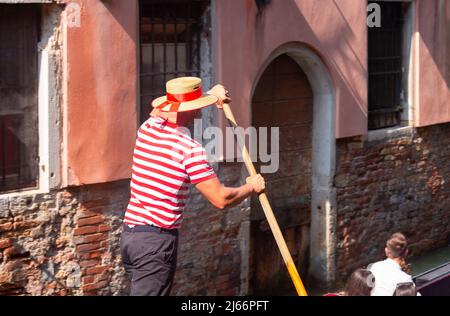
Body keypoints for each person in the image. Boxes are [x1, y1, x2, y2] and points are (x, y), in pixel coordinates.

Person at [120, 77, 266, 296]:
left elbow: (159, 111)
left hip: (131, 237)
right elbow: (221, 199)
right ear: (191, 109)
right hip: (155, 243)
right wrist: (250, 187)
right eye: (197, 108)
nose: (198, 113)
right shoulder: (189, 150)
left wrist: (212, 95)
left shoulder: (147, 129)